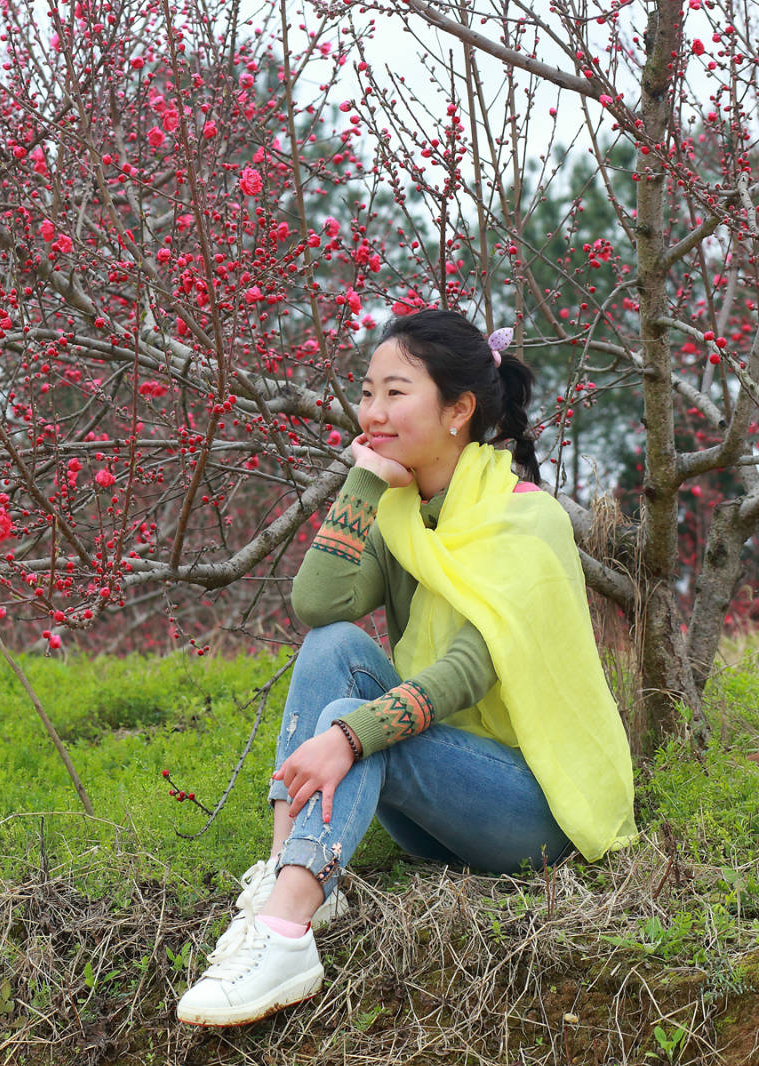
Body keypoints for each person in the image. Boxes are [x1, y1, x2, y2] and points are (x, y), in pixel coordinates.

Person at [175, 308, 637, 1028]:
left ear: (459, 411)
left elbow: (467, 671)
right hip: (439, 805)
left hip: (532, 812)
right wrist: (363, 484)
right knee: (332, 647)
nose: (372, 410)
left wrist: (351, 736)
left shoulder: (525, 519)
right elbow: (318, 603)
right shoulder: (401, 514)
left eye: (395, 392)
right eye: (367, 393)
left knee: (341, 722)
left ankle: (285, 937)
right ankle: (292, 882)